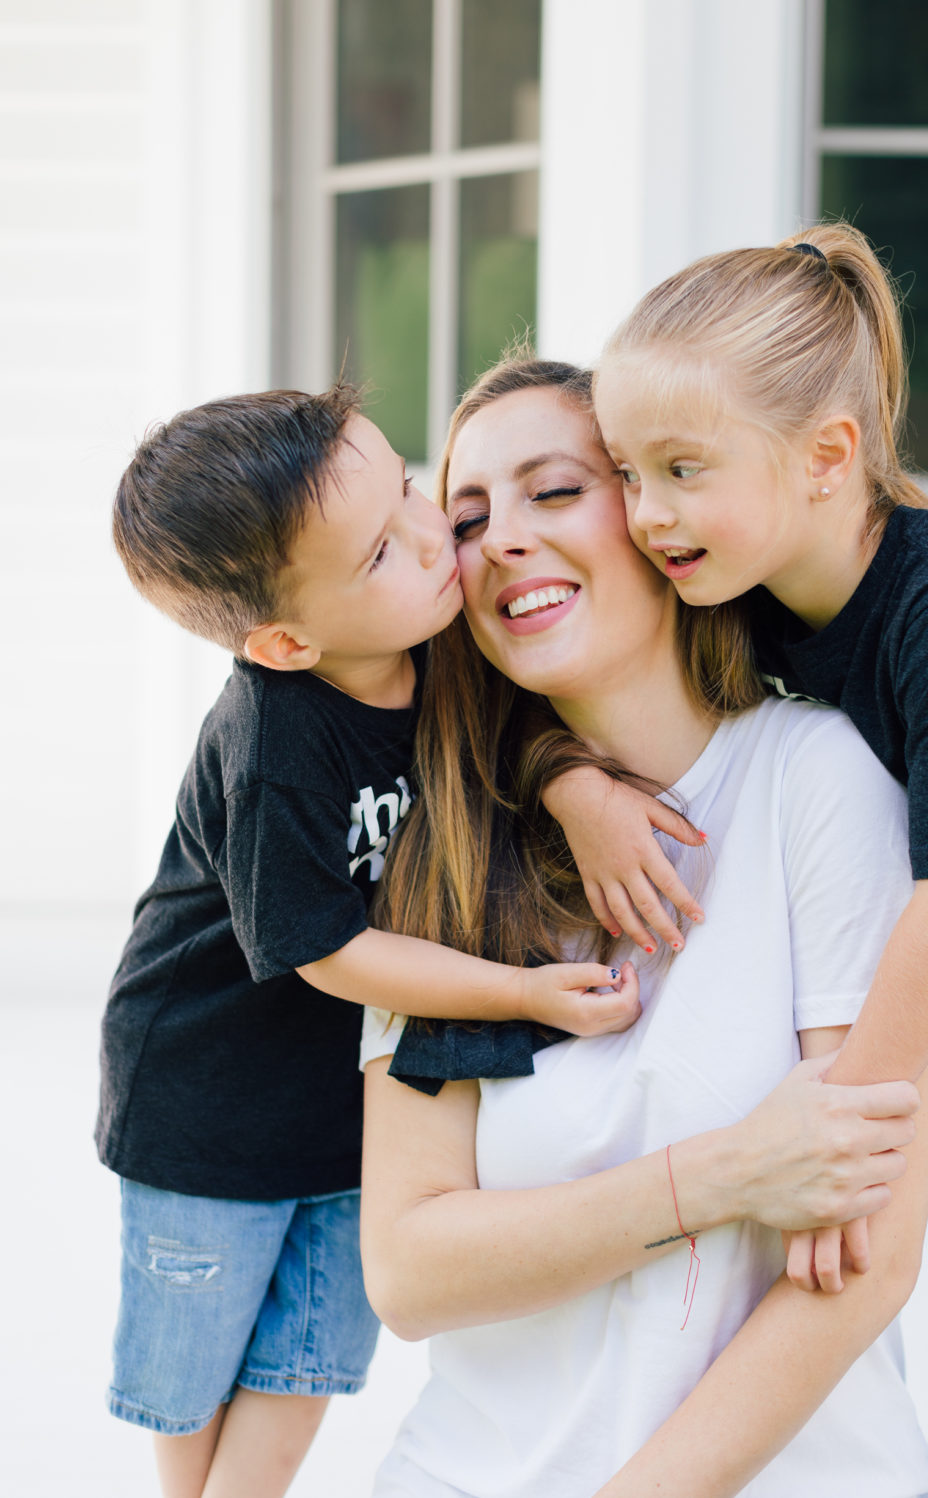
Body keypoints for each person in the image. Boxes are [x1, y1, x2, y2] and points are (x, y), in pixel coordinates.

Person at [357, 358, 928, 1497]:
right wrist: (725, 1175)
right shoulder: (444, 852)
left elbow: (862, 1267)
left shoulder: (820, 780)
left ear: (654, 518)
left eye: (555, 491)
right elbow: (407, 1269)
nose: (502, 541)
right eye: (467, 518)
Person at [582, 224, 928, 1498]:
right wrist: (570, 781)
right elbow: (591, 694)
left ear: (826, 457)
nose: (645, 515)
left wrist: (832, 1156)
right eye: (627, 474)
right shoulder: (742, 592)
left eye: (681, 470)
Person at [96, 386, 643, 1498]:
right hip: (203, 1100)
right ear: (288, 640)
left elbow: (519, 728)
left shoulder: (434, 635)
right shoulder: (272, 741)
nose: (434, 535)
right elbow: (328, 951)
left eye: (404, 484)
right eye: (381, 552)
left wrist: (580, 788)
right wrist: (521, 994)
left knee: (302, 1366)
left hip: (340, 1102)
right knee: (195, 1380)